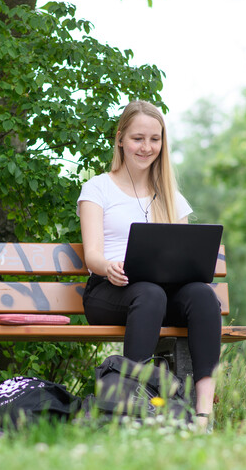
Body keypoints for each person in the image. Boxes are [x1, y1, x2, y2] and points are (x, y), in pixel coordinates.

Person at [77, 100, 221, 429]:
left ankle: (202, 415)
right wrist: (108, 266)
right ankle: (130, 407)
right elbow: (93, 255)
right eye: (138, 138)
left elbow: (183, 255)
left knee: (202, 296)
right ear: (120, 140)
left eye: (154, 139)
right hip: (109, 290)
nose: (147, 147)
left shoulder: (169, 195)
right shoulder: (97, 188)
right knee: (150, 294)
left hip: (160, 292)